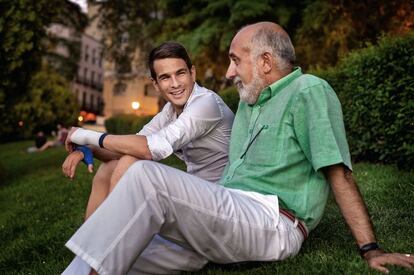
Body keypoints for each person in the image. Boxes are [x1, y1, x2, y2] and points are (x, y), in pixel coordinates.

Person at [63, 22, 414, 275]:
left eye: (235, 60)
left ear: (264, 62)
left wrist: (370, 249)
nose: (229, 71)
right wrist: (87, 149)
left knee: (144, 176)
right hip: (225, 212)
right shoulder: (251, 99)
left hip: (273, 220)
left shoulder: (308, 91)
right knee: (119, 246)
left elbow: (338, 172)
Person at [61, 41, 234, 274]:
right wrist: (86, 148)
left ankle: (104, 249)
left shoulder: (206, 104)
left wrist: (85, 134)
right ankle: (94, 249)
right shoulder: (170, 111)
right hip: (198, 200)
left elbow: (149, 149)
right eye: (165, 77)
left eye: (180, 73)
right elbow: (129, 145)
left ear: (192, 73)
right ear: (155, 83)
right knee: (108, 169)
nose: (174, 84)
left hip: (224, 206)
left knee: (132, 162)